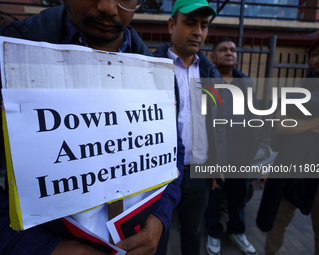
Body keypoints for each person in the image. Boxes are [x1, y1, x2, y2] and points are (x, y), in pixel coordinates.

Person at [0, 0, 184, 254]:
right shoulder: (7, 56)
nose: (109, 7)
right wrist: (45, 248)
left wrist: (160, 218)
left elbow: (175, 152)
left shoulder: (160, 73)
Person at [153, 0, 228, 254]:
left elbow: (217, 123)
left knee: (193, 232)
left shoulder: (210, 72)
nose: (198, 31)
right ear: (172, 24)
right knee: (157, 235)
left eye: (204, 25)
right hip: (161, 175)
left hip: (200, 174)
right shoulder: (152, 67)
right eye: (190, 22)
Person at [256, 35, 319, 255]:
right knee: (275, 225)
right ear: (308, 61)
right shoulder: (300, 91)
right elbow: (281, 126)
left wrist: (302, 123)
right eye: (316, 53)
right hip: (289, 173)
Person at [204, 37, 259, 255]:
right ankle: (214, 232)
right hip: (215, 154)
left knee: (238, 198)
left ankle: (237, 231)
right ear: (212, 56)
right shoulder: (207, 83)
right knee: (214, 199)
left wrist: (254, 149)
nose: (230, 53)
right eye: (224, 49)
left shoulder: (245, 82)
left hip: (241, 153)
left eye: (233, 50)